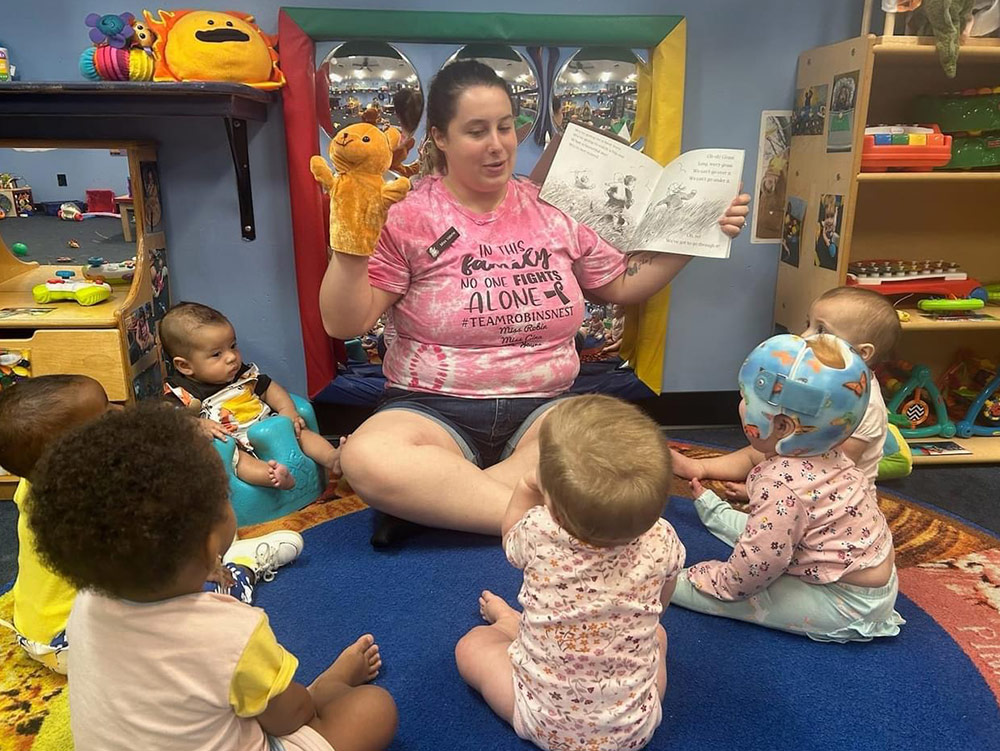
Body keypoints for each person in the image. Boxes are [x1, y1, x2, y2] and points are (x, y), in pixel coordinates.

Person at [319, 59, 750, 543]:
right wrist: (349, 244)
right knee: (367, 457)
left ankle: (447, 503)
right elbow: (344, 322)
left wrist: (695, 234)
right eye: (476, 131)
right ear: (439, 137)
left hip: (542, 410)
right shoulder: (407, 213)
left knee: (614, 443)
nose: (497, 145)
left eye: (505, 127)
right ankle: (544, 522)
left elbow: (622, 285)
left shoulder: (554, 205)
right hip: (429, 408)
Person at [27, 405, 397, 751]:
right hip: (271, 717)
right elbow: (289, 718)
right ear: (210, 544)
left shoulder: (86, 603)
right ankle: (326, 687)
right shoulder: (230, 631)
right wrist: (312, 699)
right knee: (373, 708)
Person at [0, 375, 303, 674]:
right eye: (106, 413)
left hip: (33, 630)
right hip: (80, 640)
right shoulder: (109, 500)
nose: (120, 412)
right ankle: (242, 567)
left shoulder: (35, 486)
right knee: (201, 611)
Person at [454, 395, 685, 751]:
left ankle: (506, 627)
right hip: (636, 728)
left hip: (544, 720)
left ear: (556, 511)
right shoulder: (663, 539)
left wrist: (526, 487)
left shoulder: (539, 531)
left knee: (471, 647)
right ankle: (520, 630)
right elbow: (662, 602)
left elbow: (509, 541)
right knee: (659, 635)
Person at [670, 334, 905, 642]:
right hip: (869, 576)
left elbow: (760, 563)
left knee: (746, 598)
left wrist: (716, 582)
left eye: (746, 399)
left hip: (846, 602)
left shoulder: (781, 483)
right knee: (770, 529)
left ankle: (658, 578)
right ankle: (717, 513)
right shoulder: (826, 451)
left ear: (781, 427)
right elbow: (778, 527)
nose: (740, 405)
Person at [672, 285, 901, 500]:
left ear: (863, 353)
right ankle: (701, 467)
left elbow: (837, 465)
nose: (804, 335)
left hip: (836, 497)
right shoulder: (816, 379)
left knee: (774, 461)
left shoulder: (866, 404)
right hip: (797, 464)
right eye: (808, 323)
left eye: (820, 330)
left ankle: (766, 491)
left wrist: (764, 489)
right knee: (762, 449)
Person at [160, 302, 342, 490]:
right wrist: (197, 424)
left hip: (267, 426)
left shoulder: (243, 374)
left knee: (300, 433)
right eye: (217, 354)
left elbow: (270, 388)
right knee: (239, 462)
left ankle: (332, 459)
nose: (231, 357)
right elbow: (170, 418)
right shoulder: (183, 391)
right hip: (233, 442)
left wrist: (287, 411)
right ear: (185, 366)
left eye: (232, 346)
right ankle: (272, 476)